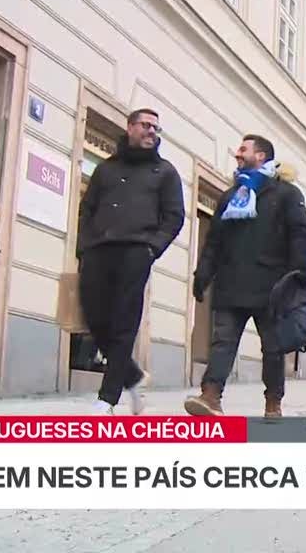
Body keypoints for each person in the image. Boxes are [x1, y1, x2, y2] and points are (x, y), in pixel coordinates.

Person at [185, 135, 306, 418]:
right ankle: (210, 396)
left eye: (243, 149)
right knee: (223, 343)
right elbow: (214, 240)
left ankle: (273, 403)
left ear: (262, 156)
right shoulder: (232, 195)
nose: (238, 154)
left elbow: (300, 235)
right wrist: (203, 273)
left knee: (273, 349)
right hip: (231, 283)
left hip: (272, 286)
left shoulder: (287, 194)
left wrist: (299, 277)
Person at [77, 108, 185, 415]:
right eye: (146, 125)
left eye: (156, 127)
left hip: (136, 252)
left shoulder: (165, 172)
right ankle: (133, 376)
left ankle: (107, 398)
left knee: (124, 323)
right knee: (94, 318)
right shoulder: (106, 169)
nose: (152, 131)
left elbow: (174, 216)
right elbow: (88, 208)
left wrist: (152, 249)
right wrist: (84, 247)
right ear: (130, 127)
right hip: (99, 249)